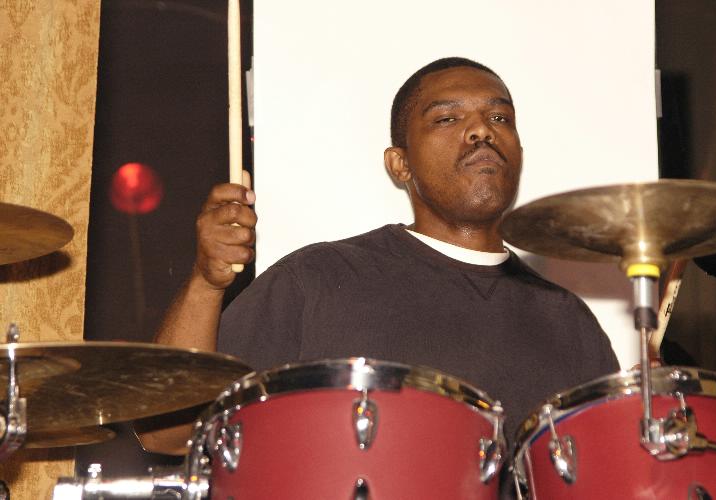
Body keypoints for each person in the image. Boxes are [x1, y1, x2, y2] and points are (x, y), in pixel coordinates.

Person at [151, 57, 620, 492]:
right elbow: (166, 431)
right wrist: (206, 282)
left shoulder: (569, 322)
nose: (481, 130)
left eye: (499, 117)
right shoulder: (316, 280)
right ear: (400, 164)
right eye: (447, 118)